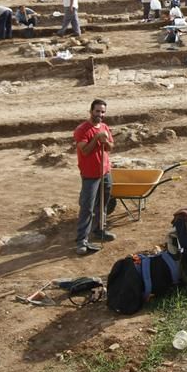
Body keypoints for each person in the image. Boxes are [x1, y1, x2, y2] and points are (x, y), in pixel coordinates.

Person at [74, 99, 115, 255]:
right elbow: (85, 151)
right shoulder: (82, 130)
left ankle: (99, 229)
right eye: (97, 111)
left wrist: (105, 141)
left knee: (103, 203)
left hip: (105, 172)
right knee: (87, 208)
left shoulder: (104, 127)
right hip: (90, 175)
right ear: (91, 111)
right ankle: (81, 241)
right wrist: (97, 138)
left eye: (103, 112)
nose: (100, 114)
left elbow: (111, 147)